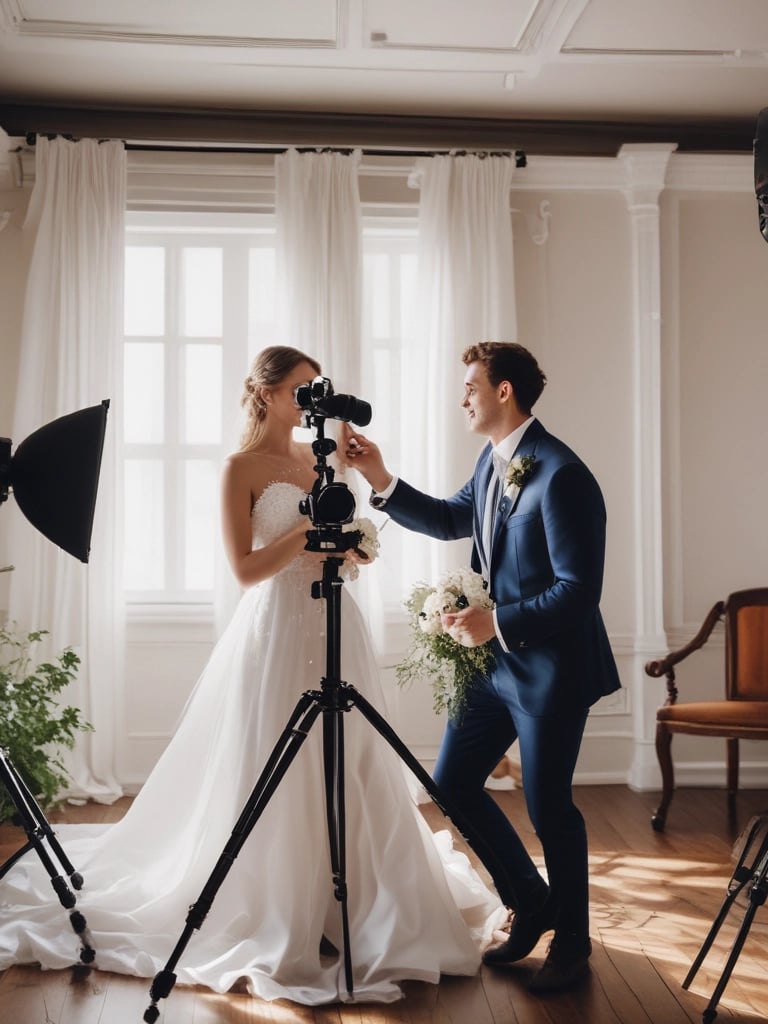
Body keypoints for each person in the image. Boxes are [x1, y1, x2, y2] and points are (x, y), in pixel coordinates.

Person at [0, 345, 506, 1005]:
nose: (308, 402)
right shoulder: (240, 468)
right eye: (299, 389)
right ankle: (274, 902)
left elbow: (352, 552)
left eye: (314, 389)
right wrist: (309, 531)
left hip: (336, 624)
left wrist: (352, 545)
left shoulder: (318, 458)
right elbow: (244, 571)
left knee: (349, 758)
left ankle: (353, 905)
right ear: (265, 393)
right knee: (272, 761)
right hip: (275, 629)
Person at [342, 341, 621, 993]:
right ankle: (532, 899)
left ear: (503, 392)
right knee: (452, 783)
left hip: (554, 669)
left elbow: (581, 589)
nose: (461, 396)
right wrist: (381, 478)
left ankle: (573, 945)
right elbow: (447, 518)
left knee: (550, 808)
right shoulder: (494, 462)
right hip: (497, 670)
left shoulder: (561, 473)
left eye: (470, 385)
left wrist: (495, 621)